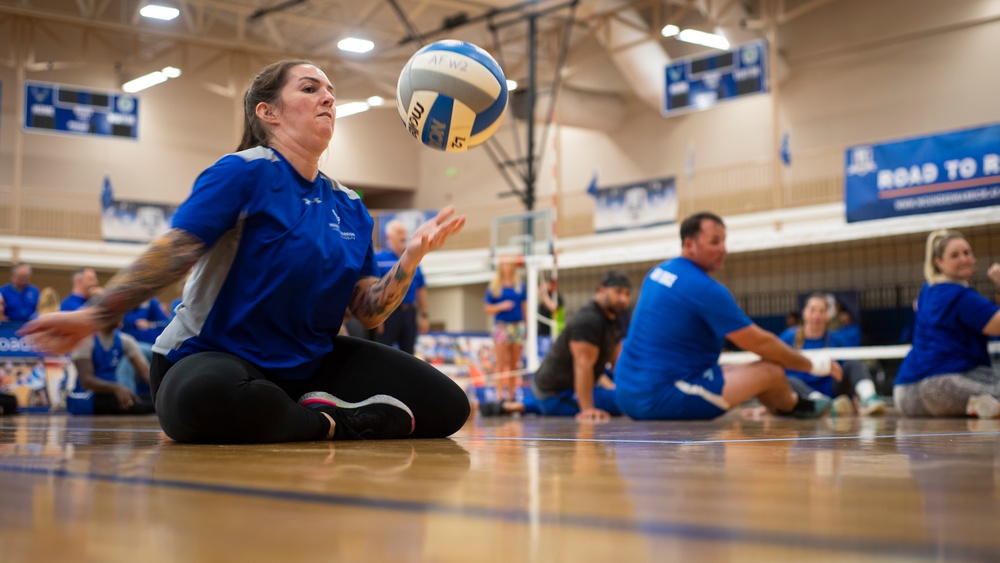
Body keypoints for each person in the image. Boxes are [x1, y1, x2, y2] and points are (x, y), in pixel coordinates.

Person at [21, 59, 469, 443]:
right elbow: (175, 251)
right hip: (210, 357)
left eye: (332, 91)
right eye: (310, 89)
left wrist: (409, 259)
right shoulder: (241, 172)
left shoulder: (351, 207)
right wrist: (95, 315)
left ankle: (305, 415)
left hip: (310, 364)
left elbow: (368, 312)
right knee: (206, 398)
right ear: (267, 112)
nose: (328, 98)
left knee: (448, 407)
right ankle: (332, 423)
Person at [615, 212, 843, 420]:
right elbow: (760, 343)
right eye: (715, 241)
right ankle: (796, 406)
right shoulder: (704, 289)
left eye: (724, 241)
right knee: (771, 371)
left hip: (625, 392)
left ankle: (779, 406)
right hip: (661, 398)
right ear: (689, 244)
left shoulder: (658, 272)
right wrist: (813, 364)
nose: (723, 248)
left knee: (739, 369)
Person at [893, 229, 1000, 418]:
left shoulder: (927, 290)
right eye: (954, 255)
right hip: (943, 386)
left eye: (967, 253)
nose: (964, 259)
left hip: (904, 395)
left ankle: (978, 404)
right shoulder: (961, 296)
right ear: (938, 262)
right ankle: (980, 402)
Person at [530, 270, 632, 421]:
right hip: (555, 394)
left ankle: (521, 406)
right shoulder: (588, 319)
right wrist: (588, 409)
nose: (623, 299)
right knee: (627, 403)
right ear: (602, 290)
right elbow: (582, 365)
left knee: (632, 398)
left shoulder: (613, 321)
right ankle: (531, 405)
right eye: (618, 292)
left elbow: (617, 363)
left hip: (569, 389)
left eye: (627, 294)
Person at [779, 293, 886, 416]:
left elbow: (846, 371)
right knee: (788, 379)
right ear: (805, 313)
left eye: (821, 311)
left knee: (854, 364)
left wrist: (853, 395)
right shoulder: (788, 337)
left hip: (830, 389)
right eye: (812, 310)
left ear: (827, 316)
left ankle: (868, 399)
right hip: (801, 392)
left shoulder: (837, 338)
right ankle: (820, 403)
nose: (816, 316)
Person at [67, 326, 154, 415]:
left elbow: (146, 372)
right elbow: (86, 381)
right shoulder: (86, 341)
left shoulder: (125, 340)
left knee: (150, 400)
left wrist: (161, 393)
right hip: (87, 397)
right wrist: (116, 388)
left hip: (112, 393)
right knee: (137, 405)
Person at [374, 219, 428, 354]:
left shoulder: (414, 259)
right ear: (388, 237)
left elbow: (421, 288)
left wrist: (425, 315)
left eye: (404, 232)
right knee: (383, 353)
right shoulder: (379, 259)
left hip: (409, 312)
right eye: (399, 232)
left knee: (409, 354)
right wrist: (377, 318)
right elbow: (373, 287)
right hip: (388, 313)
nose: (403, 236)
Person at [484, 256, 527, 403]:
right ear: (501, 267)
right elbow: (488, 308)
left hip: (517, 326)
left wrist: (525, 326)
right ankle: (500, 395)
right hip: (501, 326)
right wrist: (501, 306)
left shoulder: (520, 285)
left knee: (515, 363)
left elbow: (524, 306)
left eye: (510, 264)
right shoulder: (494, 286)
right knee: (501, 362)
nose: (507, 267)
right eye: (505, 264)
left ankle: (511, 395)